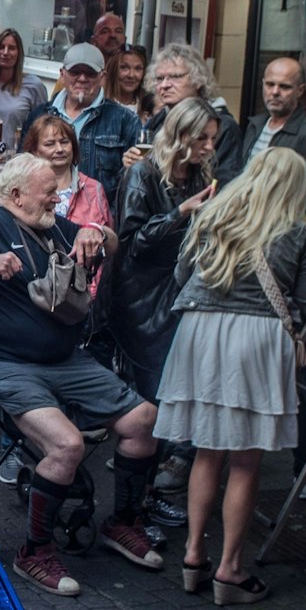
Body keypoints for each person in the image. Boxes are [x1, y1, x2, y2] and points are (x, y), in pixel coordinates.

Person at [0, 153, 157, 599]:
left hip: (67, 361)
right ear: (16, 194)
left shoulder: (53, 226)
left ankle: (122, 522)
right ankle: (34, 551)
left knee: (143, 420)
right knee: (67, 445)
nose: (57, 199)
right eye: (49, 192)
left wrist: (95, 231)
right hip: (3, 364)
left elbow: (114, 244)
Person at [155, 148, 306, 606]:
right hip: (256, 340)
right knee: (245, 462)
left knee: (207, 450)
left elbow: (181, 273)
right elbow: (305, 300)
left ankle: (193, 557)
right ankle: (230, 569)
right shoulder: (298, 231)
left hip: (200, 333)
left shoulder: (212, 215)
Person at [114, 96, 220, 402]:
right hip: (144, 297)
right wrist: (181, 212)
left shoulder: (199, 174)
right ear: (180, 135)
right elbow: (132, 243)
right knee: (153, 391)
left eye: (213, 139)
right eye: (201, 138)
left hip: (181, 290)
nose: (209, 147)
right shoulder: (142, 173)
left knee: (181, 387)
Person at [44, 43, 141, 202]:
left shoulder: (125, 120)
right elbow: (22, 170)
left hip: (100, 214)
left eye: (90, 73)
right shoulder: (41, 115)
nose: (82, 78)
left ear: (102, 77)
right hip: (47, 210)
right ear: (62, 74)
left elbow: (135, 184)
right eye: (75, 72)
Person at [138, 44, 245, 184]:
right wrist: (132, 164)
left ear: (198, 80)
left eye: (175, 77)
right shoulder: (159, 119)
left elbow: (225, 185)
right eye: (159, 78)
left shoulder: (223, 125)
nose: (164, 85)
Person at [22, 114, 112, 231]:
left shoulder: (93, 188)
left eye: (64, 142)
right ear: (35, 150)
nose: (59, 149)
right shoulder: (23, 186)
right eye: (50, 144)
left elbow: (109, 238)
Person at [0, 28, 50, 152]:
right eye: (1, 47)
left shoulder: (33, 85)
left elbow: (43, 126)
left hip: (15, 156)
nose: (5, 52)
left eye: (11, 48)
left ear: (19, 53)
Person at [242, 57, 306, 164]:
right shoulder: (255, 125)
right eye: (270, 84)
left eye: (284, 87)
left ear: (300, 90)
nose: (275, 92)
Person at [104, 42, 154, 122]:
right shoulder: (99, 105)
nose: (131, 75)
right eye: (124, 67)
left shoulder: (149, 106)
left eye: (138, 68)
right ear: (113, 70)